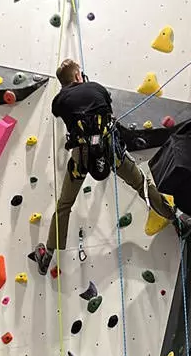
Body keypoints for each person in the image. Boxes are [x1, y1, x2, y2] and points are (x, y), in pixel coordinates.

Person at [29, 59, 181, 275]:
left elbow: (60, 112)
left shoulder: (59, 101)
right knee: (141, 185)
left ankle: (48, 255)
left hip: (81, 159)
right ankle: (175, 220)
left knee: (64, 204)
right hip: (111, 152)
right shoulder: (97, 89)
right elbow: (108, 110)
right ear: (77, 76)